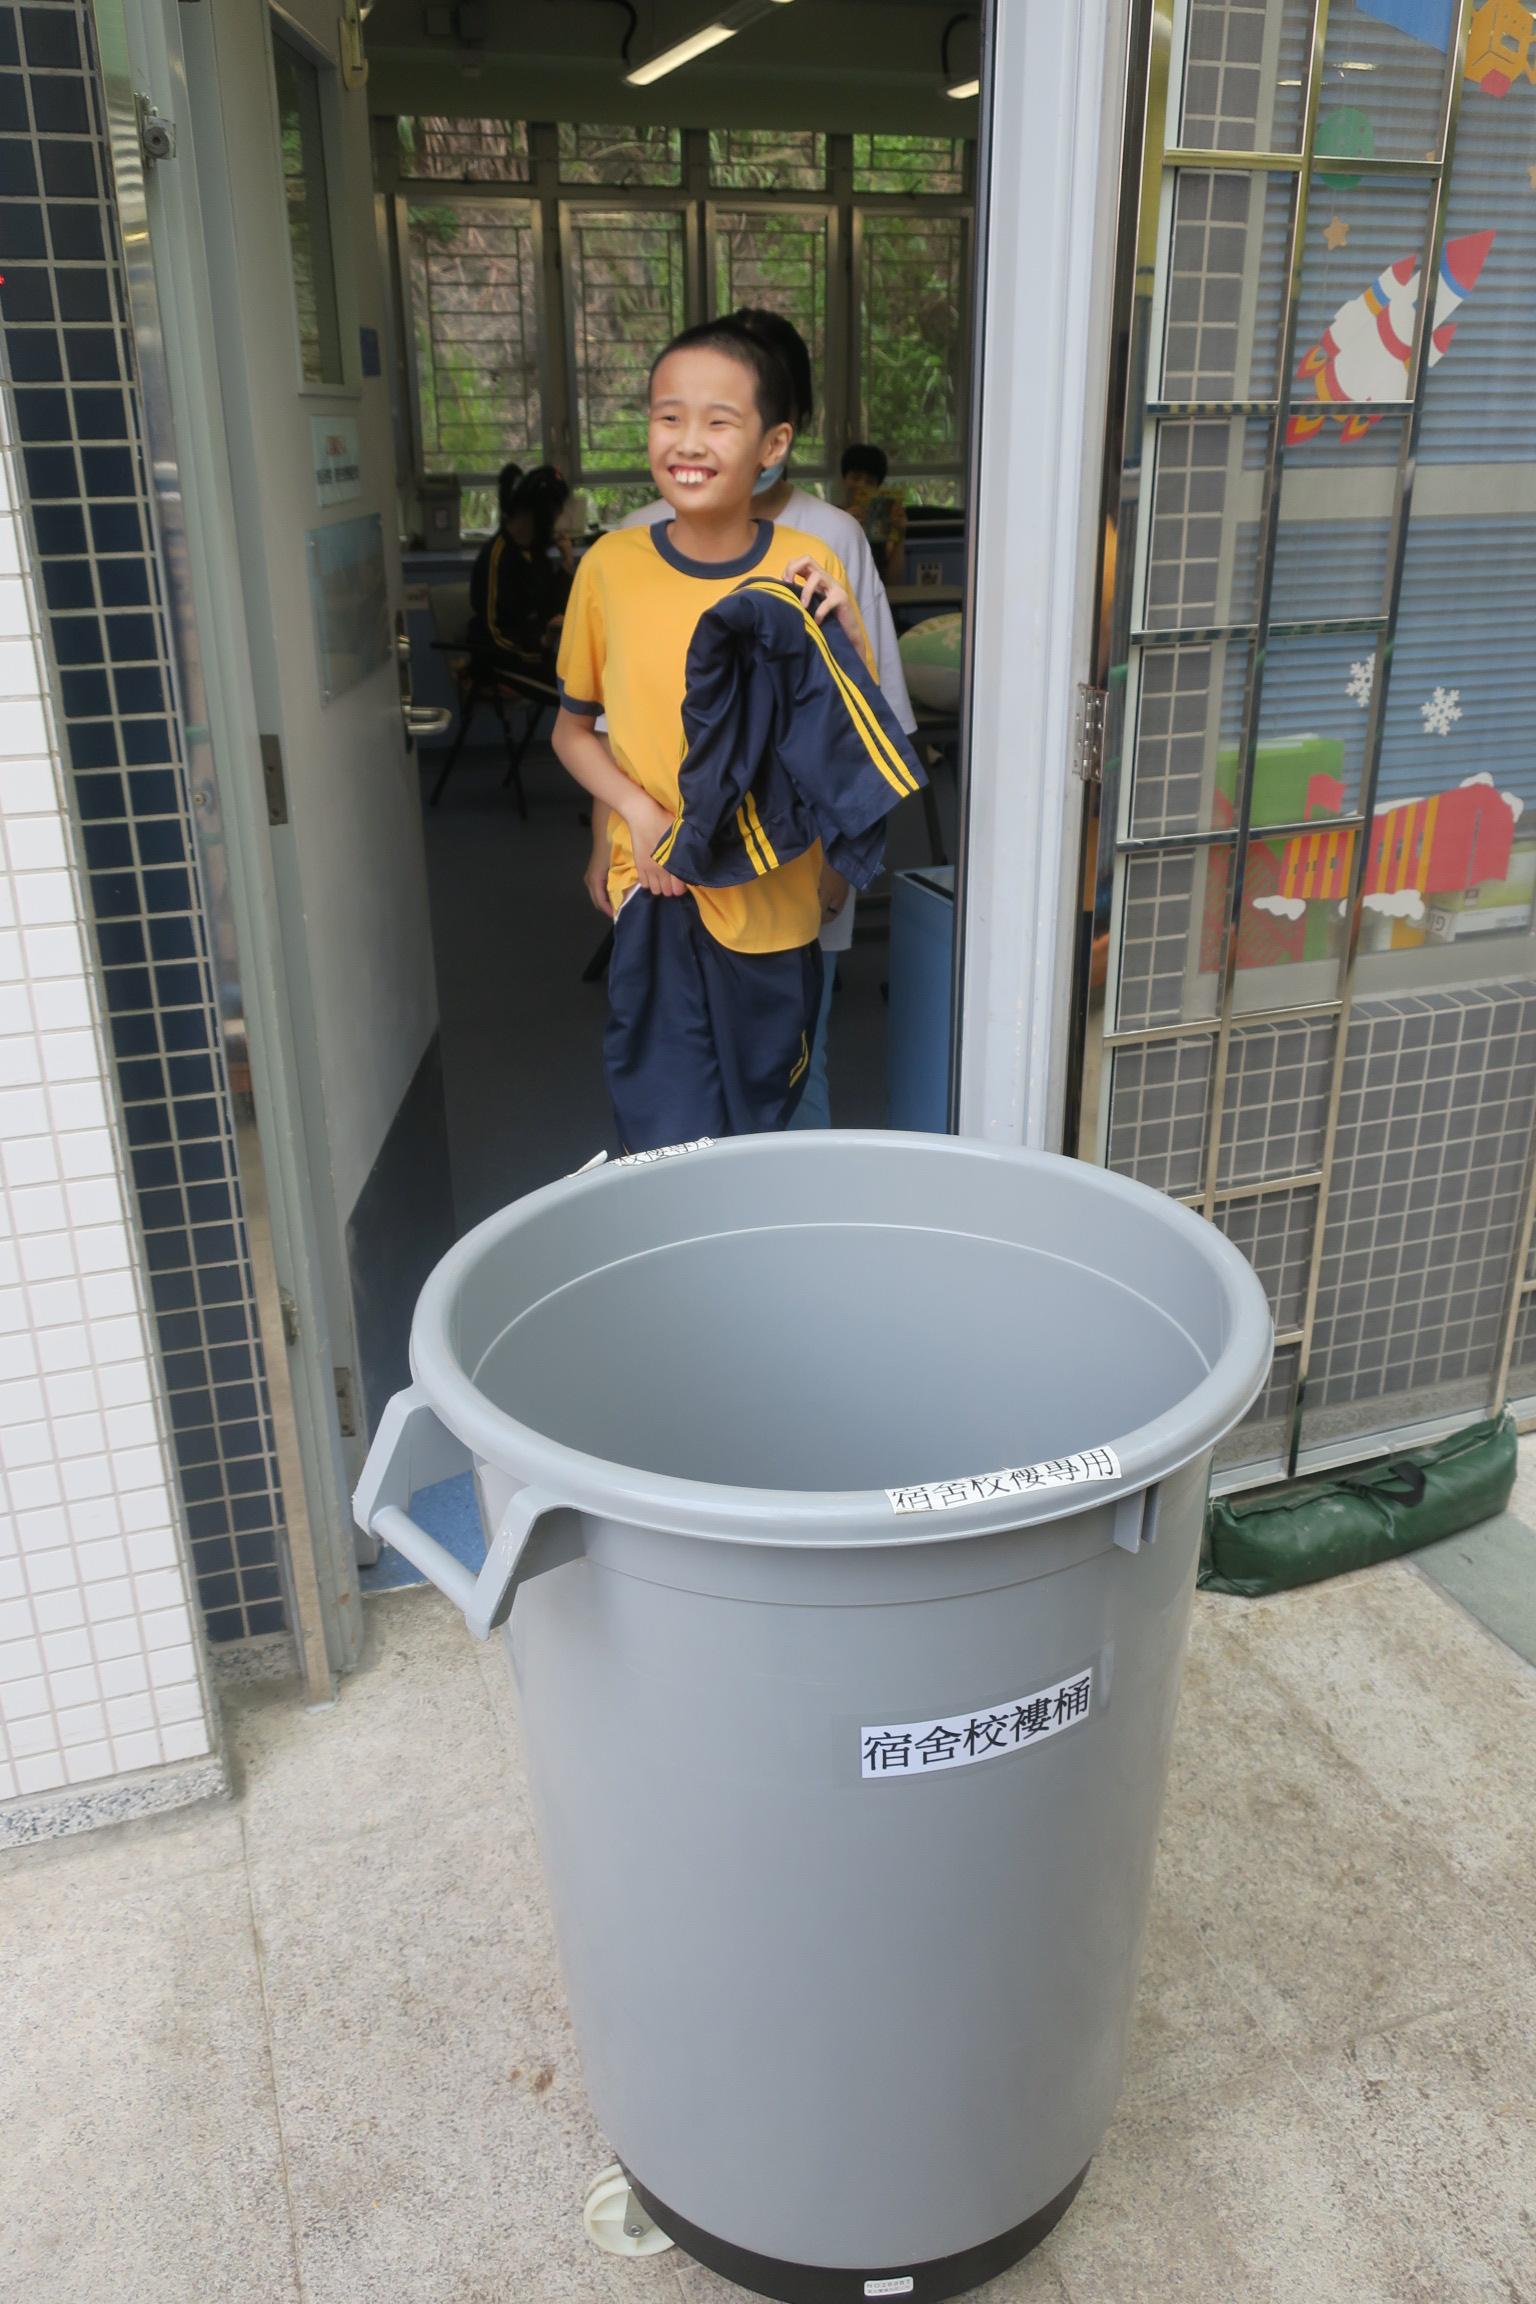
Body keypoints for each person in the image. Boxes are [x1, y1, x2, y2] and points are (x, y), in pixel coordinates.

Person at [585, 308, 919, 1129]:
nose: (694, 439)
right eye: (673, 412)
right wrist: (608, 837)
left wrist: (840, 867)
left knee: (790, 1083)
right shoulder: (624, 552)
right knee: (670, 1099)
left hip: (787, 877)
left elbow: (862, 725)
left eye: (723, 413)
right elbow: (608, 728)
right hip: (660, 876)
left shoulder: (828, 542)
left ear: (778, 430)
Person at [467, 462, 572, 679]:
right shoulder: (497, 556)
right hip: (505, 663)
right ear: (541, 513)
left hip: (537, 654)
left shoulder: (534, 551)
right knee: (580, 687)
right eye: (556, 512)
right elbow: (494, 633)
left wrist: (567, 564)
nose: (559, 519)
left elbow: (550, 607)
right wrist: (542, 645)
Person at [840, 442, 906, 587]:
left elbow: (893, 581)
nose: (861, 485)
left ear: (877, 487)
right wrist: (844, 525)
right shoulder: (830, 517)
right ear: (844, 479)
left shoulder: (884, 521)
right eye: (855, 478)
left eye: (870, 481)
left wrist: (900, 536)